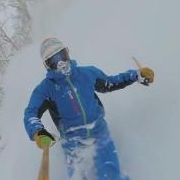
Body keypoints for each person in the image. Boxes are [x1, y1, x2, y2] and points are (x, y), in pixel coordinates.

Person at [23, 38, 154, 179]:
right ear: (47, 65)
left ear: (67, 53)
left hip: (99, 133)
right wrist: (38, 131)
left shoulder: (87, 73)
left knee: (111, 175)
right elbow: (31, 113)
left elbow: (110, 83)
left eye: (61, 56)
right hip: (73, 142)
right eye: (53, 61)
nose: (60, 63)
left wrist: (135, 75)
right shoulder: (45, 89)